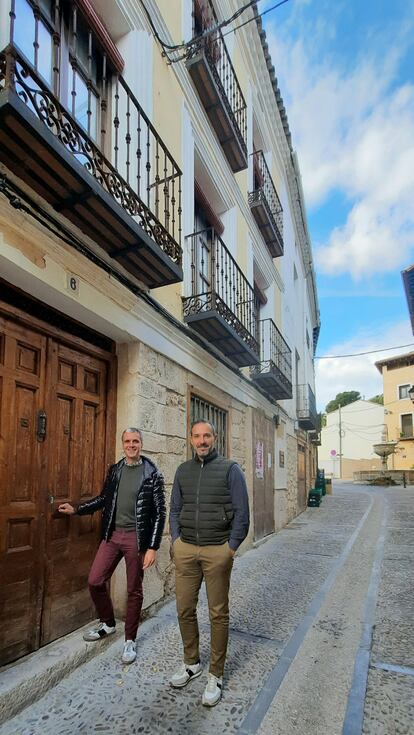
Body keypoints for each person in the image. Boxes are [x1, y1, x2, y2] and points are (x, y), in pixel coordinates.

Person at [58, 427, 165, 664]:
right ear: (122, 444)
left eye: (135, 441)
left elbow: (159, 513)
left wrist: (152, 547)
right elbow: (103, 499)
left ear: (141, 443)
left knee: (133, 590)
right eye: (127, 441)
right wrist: (77, 509)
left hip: (136, 539)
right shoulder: (115, 470)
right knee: (95, 580)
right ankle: (107, 624)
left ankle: (130, 640)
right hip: (112, 535)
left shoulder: (152, 474)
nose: (131, 445)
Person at [169, 419, 250, 706]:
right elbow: (175, 508)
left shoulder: (230, 470)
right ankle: (191, 662)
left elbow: (242, 511)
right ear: (190, 439)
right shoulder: (183, 470)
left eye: (207, 436)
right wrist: (176, 541)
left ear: (215, 438)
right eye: (197, 436)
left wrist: (230, 548)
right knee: (184, 609)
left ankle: (215, 673)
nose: (202, 441)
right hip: (187, 550)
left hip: (218, 551)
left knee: (218, 613)